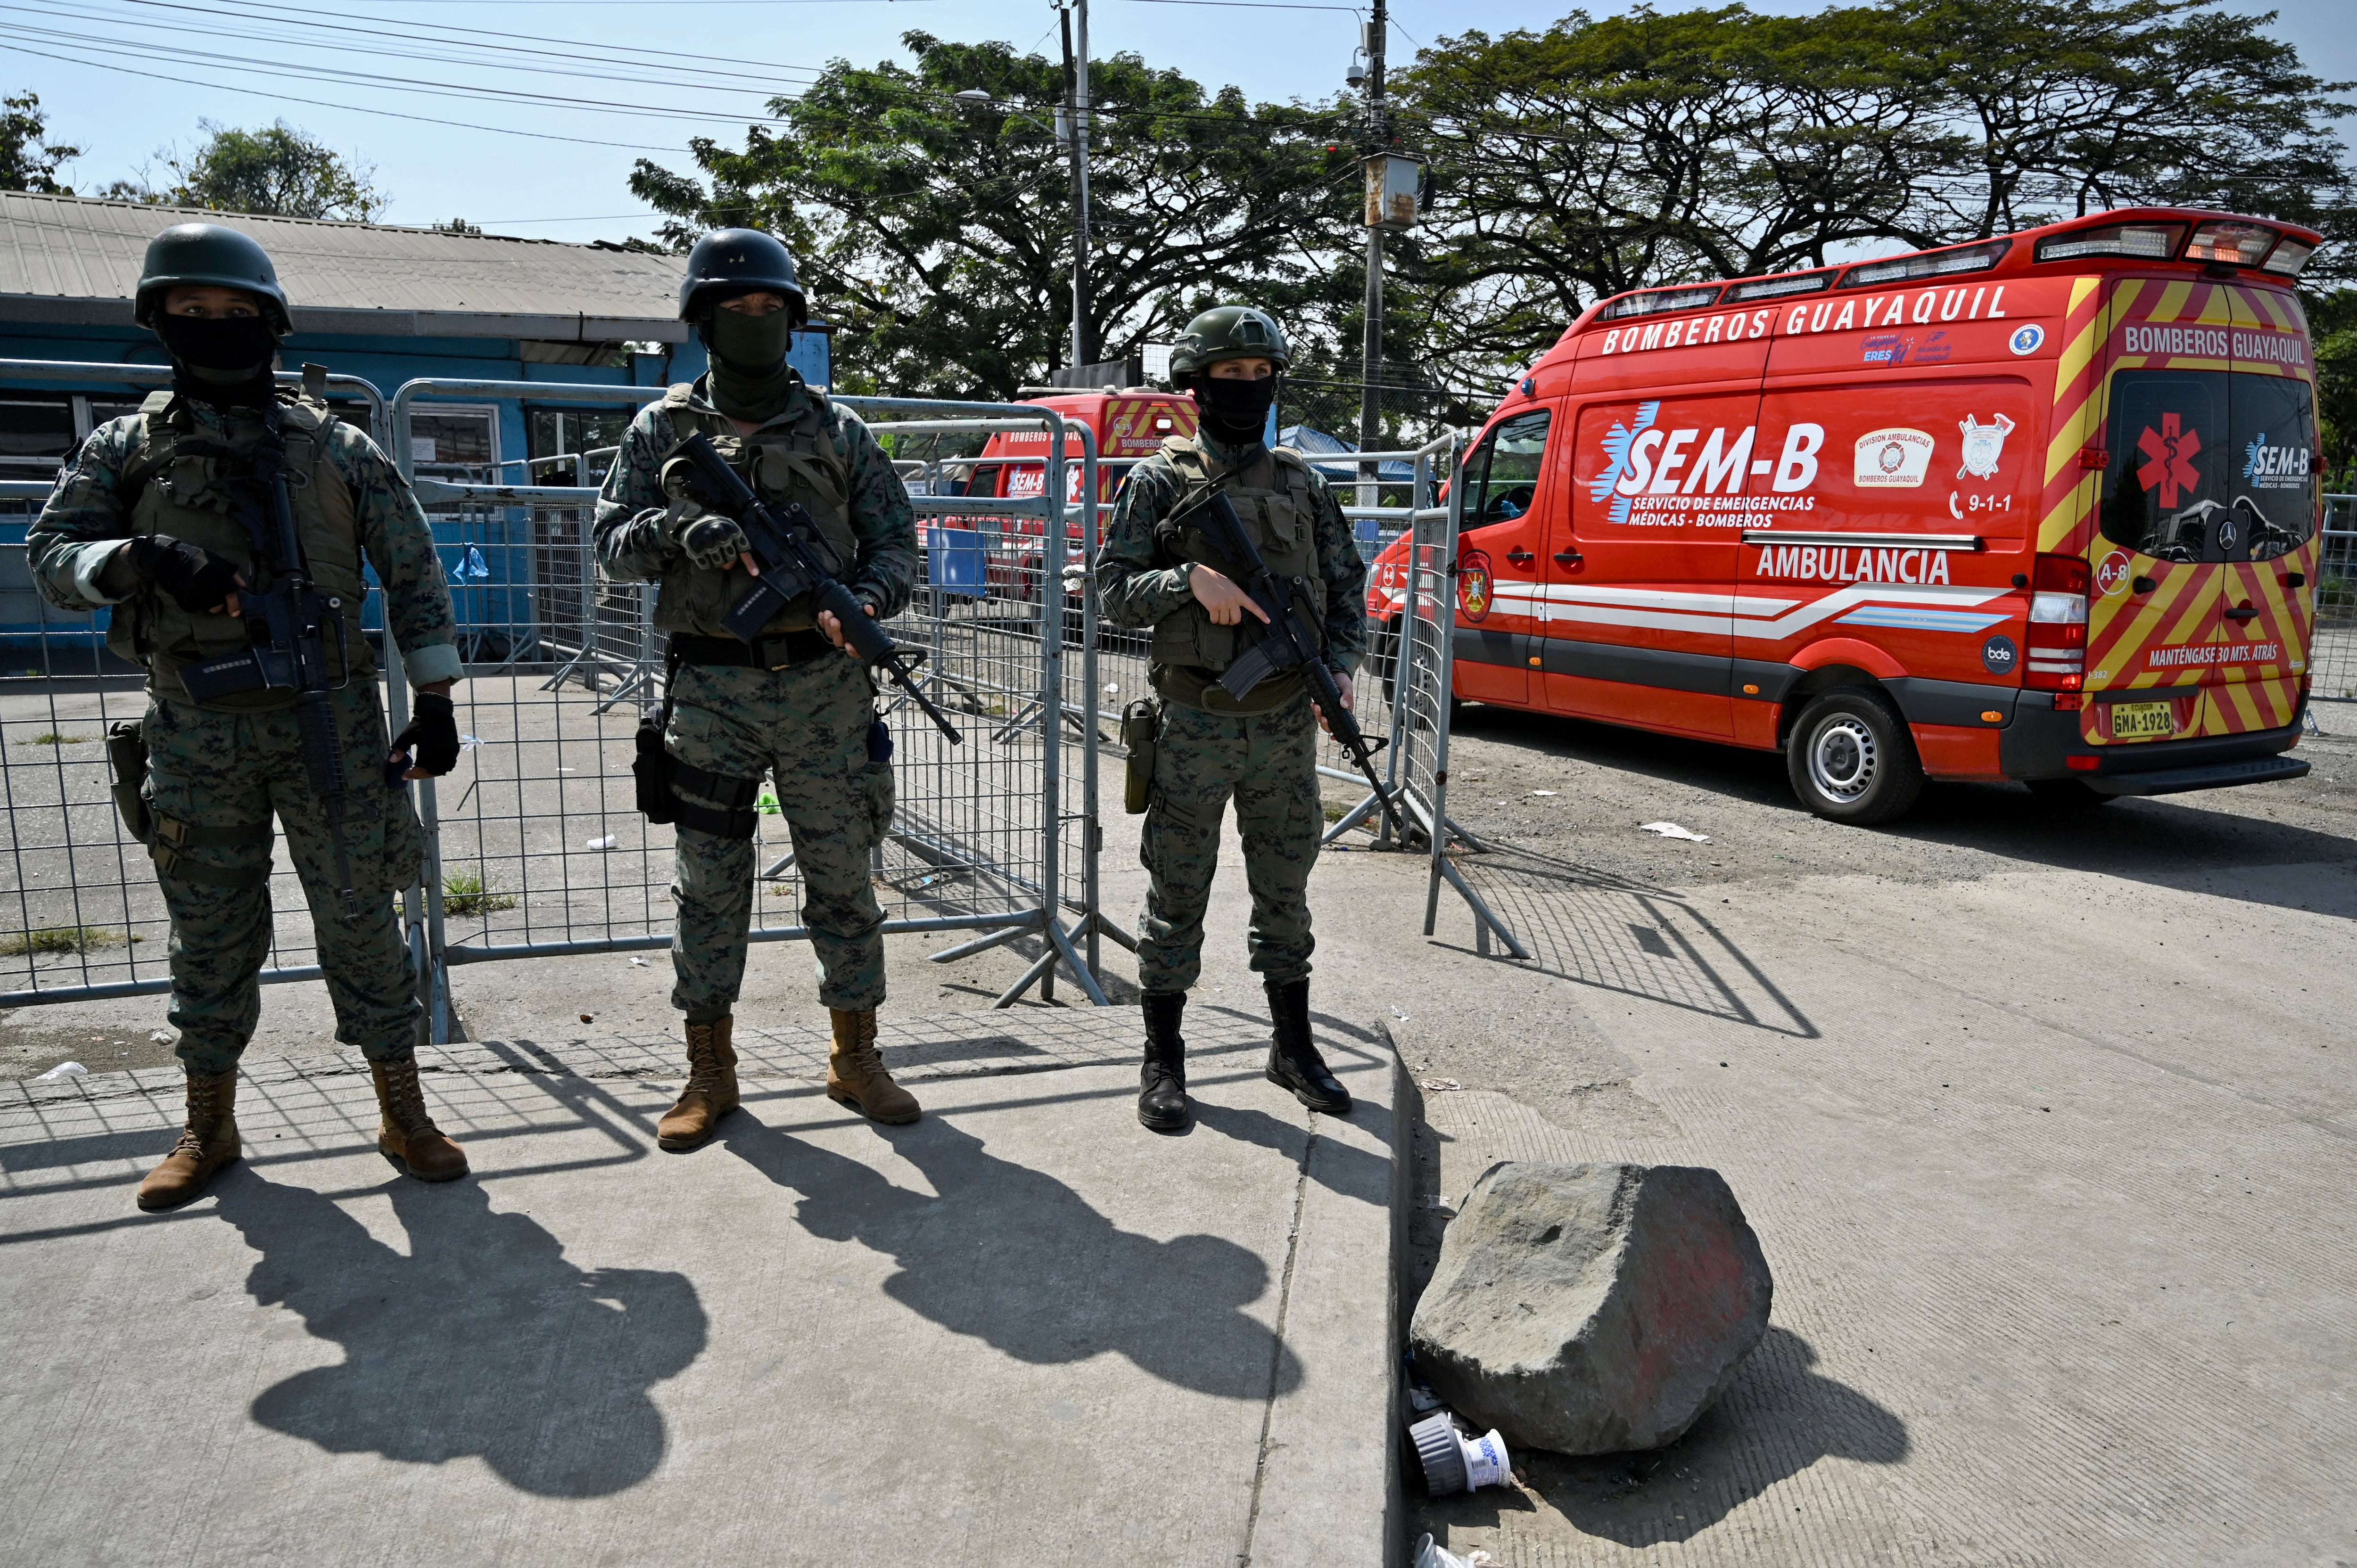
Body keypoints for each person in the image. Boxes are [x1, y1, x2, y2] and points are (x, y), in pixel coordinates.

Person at [28, 223, 469, 1210]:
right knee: (211, 933)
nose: (216, 329)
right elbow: (52, 556)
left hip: (334, 723)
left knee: (363, 918)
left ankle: (403, 1107)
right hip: (195, 727)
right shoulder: (122, 449)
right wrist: (137, 559)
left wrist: (434, 702)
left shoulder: (337, 449)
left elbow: (414, 574)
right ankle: (210, 1121)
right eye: (193, 314)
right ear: (161, 323)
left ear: (270, 324)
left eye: (235, 315)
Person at [594, 228, 920, 1150]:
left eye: (767, 310)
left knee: (844, 883)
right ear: (703, 322)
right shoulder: (662, 429)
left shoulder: (838, 431)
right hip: (712, 693)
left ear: (792, 321)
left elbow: (898, 541)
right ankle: (709, 1072)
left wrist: (864, 597)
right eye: (733, 311)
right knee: (709, 889)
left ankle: (855, 1057)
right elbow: (608, 546)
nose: (752, 322)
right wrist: (674, 532)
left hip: (825, 692)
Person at [1096, 304, 1369, 1132]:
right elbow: (1109, 589)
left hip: (1284, 722)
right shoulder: (1157, 480)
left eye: (1261, 375)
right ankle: (1163, 1063)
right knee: (1177, 893)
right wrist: (1190, 584)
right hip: (1194, 722)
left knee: (1284, 890)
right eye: (1230, 375)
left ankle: (1292, 1048)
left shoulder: (1303, 483)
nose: (1247, 389)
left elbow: (1347, 586)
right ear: (1197, 383)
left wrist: (1343, 671)